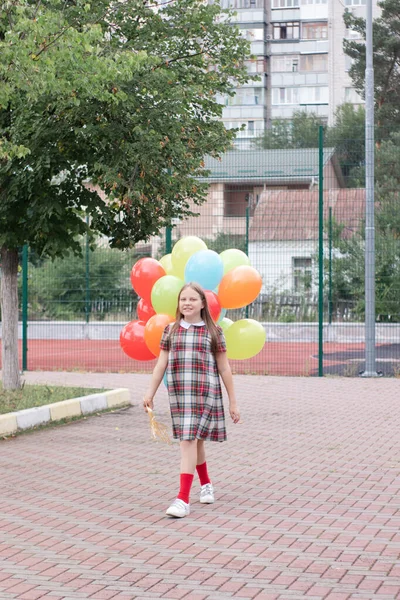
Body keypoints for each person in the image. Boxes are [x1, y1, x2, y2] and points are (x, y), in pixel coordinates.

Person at [143, 282, 240, 518]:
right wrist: (150, 392)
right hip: (180, 396)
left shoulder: (214, 332)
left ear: (203, 304)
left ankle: (182, 499)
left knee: (189, 441)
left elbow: (224, 369)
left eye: (193, 299)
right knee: (194, 443)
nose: (187, 303)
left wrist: (233, 402)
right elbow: (161, 364)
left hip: (206, 394)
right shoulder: (171, 330)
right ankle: (205, 483)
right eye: (183, 299)